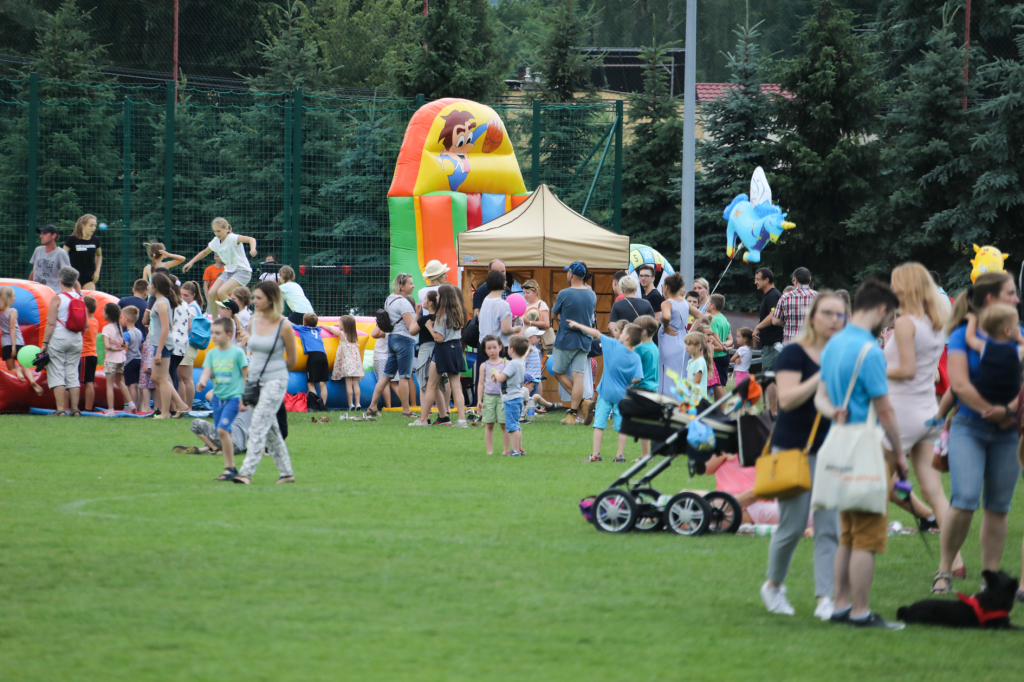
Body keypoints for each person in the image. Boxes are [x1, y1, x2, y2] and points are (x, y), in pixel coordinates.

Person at [814, 279, 908, 629]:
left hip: (839, 443)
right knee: (867, 535)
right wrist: (900, 454)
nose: (890, 323)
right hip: (867, 447)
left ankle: (840, 605)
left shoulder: (834, 343)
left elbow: (821, 397)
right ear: (881, 309)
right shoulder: (870, 351)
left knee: (847, 533)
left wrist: (833, 411)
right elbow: (885, 411)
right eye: (891, 316)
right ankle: (860, 611)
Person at [934, 272, 1022, 594]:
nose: (1017, 299)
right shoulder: (961, 336)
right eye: (1011, 293)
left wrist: (1010, 411)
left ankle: (991, 580)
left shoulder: (1019, 334)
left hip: (1010, 431)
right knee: (965, 499)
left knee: (998, 506)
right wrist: (991, 410)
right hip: (969, 427)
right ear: (991, 299)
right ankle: (944, 570)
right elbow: (958, 384)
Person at [759, 292, 844, 619]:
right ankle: (774, 586)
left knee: (829, 525)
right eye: (828, 314)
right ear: (813, 317)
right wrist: (820, 376)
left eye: (840, 315)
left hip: (832, 448)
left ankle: (826, 598)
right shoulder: (793, 353)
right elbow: (790, 399)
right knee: (793, 526)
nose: (835, 320)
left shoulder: (841, 355)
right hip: (795, 448)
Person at [883, 263, 964, 578]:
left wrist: (870, 366)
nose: (892, 290)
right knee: (934, 491)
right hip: (927, 412)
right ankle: (954, 562)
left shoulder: (906, 324)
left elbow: (906, 369)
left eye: (895, 284)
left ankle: (857, 549)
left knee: (875, 484)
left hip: (902, 413)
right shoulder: (936, 322)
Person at [233, 281, 298, 485]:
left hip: (276, 380)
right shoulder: (252, 321)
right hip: (255, 379)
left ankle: (245, 473)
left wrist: (276, 373)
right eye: (254, 297)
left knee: (258, 424)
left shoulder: (284, 325)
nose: (254, 301)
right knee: (271, 429)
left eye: (258, 297)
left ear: (271, 300)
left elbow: (293, 359)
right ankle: (287, 473)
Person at [573, 320, 644, 463]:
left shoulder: (612, 345)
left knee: (599, 424)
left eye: (623, 332)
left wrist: (579, 325)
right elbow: (638, 377)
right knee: (621, 427)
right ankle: (619, 456)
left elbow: (596, 333)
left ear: (627, 337)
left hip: (605, 393)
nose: (621, 334)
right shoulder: (636, 357)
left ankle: (595, 455)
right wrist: (626, 382)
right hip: (622, 396)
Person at [196, 317, 250, 482]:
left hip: (233, 398)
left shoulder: (237, 353)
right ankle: (230, 468)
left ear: (228, 334)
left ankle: (230, 468)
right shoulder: (212, 354)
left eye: (217, 333)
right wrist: (203, 381)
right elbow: (206, 371)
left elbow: (246, 376)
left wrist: (246, 397)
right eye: (212, 333)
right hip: (218, 399)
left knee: (221, 430)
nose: (214, 336)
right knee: (225, 433)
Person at [364, 273, 418, 417]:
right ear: (401, 286)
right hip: (404, 340)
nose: (413, 286)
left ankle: (372, 407)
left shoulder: (389, 299)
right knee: (405, 376)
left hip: (392, 340)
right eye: (410, 283)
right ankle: (406, 410)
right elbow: (410, 327)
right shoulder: (404, 303)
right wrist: (419, 316)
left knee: (386, 375)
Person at [551, 261, 597, 425]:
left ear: (571, 274)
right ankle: (574, 412)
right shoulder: (592, 294)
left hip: (566, 340)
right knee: (578, 376)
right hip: (584, 340)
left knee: (557, 371)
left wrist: (560, 319)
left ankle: (582, 404)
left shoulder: (564, 293)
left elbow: (553, 314)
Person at [422, 284, 468, 427]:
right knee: (456, 386)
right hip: (456, 348)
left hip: (443, 350)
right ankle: (462, 420)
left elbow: (439, 338)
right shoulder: (458, 313)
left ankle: (423, 420)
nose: (437, 297)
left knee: (431, 385)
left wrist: (429, 327)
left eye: (439, 295)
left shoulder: (442, 315)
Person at [40, 266, 84, 415]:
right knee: (72, 373)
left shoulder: (57, 298)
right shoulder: (80, 298)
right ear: (74, 281)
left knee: (57, 372)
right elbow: (85, 326)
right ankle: (75, 410)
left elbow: (51, 323)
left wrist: (45, 343)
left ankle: (60, 410)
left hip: (59, 338)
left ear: (60, 281)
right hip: (76, 339)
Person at [181, 217, 256, 304]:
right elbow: (205, 252)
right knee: (212, 293)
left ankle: (238, 311)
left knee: (221, 292)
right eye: (214, 231)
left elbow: (251, 239)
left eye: (219, 231)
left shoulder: (233, 238)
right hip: (229, 271)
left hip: (243, 271)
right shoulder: (216, 241)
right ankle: (216, 317)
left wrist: (252, 249)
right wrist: (191, 262)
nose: (216, 233)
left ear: (227, 229)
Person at [149, 274, 188, 419]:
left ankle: (165, 413)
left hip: (163, 344)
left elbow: (166, 328)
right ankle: (180, 404)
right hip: (159, 342)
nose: (148, 287)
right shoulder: (161, 301)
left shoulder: (161, 303)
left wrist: (158, 351)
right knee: (157, 377)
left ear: (156, 286)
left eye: (150, 284)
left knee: (162, 379)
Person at [657, 274, 704, 397]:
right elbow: (700, 315)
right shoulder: (684, 302)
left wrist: (666, 326)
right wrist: (690, 333)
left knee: (666, 375)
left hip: (669, 342)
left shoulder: (667, 303)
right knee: (680, 375)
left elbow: (666, 316)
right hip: (683, 342)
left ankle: (667, 404)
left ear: (666, 287)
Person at [409, 291, 449, 426]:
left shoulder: (424, 319)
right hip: (439, 352)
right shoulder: (441, 317)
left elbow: (411, 330)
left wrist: (417, 315)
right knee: (435, 386)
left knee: (424, 385)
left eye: (425, 299)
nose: (423, 301)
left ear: (430, 303)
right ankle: (444, 416)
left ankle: (424, 418)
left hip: (426, 352)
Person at [0, 286, 43, 395]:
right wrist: (14, 346)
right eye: (13, 297)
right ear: (7, 298)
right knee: (24, 364)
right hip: (17, 341)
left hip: (5, 342)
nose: (14, 299)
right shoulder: (12, 311)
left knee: (11, 368)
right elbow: (12, 328)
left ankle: (17, 371)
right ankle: (32, 381)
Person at [491, 334, 529, 456]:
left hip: (511, 398)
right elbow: (508, 375)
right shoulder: (521, 362)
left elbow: (501, 378)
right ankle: (520, 448)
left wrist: (496, 373)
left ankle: (515, 451)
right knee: (516, 425)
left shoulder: (512, 363)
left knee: (512, 426)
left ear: (512, 349)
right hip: (517, 397)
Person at [753, 267, 783, 417]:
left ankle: (774, 413)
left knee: (770, 379)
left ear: (766, 280)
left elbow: (773, 316)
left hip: (772, 346)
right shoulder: (769, 295)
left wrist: (757, 327)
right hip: (769, 345)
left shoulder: (773, 295)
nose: (755, 282)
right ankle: (774, 411)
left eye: (758, 279)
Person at [477, 335, 510, 455]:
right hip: (488, 397)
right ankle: (489, 451)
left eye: (494, 347)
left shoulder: (506, 363)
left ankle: (506, 450)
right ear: (485, 350)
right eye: (489, 348)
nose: (492, 350)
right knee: (489, 424)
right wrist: (479, 400)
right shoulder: (483, 365)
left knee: (504, 424)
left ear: (500, 347)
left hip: (503, 397)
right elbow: (480, 384)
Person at [180, 404, 252, 457]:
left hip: (229, 440)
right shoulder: (253, 409)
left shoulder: (234, 400)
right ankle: (203, 450)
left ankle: (214, 448)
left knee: (195, 423)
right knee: (214, 434)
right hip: (239, 448)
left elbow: (209, 395)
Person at [100, 302, 132, 414]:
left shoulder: (106, 329)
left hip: (111, 360)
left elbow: (107, 346)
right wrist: (120, 349)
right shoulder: (119, 328)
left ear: (108, 315)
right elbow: (122, 344)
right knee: (120, 382)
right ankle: (131, 403)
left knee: (109, 385)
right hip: (121, 359)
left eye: (104, 311)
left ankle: (110, 410)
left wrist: (116, 349)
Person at [177, 282, 204, 411]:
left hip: (189, 345)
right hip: (189, 345)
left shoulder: (192, 308)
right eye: (181, 295)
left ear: (193, 295)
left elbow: (188, 326)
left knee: (185, 378)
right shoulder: (193, 306)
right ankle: (184, 405)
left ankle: (187, 406)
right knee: (183, 378)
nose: (183, 298)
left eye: (186, 295)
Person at [773, 267, 818, 345]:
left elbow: (775, 321)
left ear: (795, 280)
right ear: (809, 280)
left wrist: (788, 322)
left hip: (790, 345)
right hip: (812, 345)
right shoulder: (818, 297)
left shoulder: (785, 297)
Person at [328, 315, 364, 411]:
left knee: (348, 385)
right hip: (356, 363)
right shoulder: (354, 335)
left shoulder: (341, 334)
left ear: (344, 325)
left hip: (347, 363)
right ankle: (358, 403)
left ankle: (350, 404)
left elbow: (329, 328)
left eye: (340, 323)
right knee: (355, 384)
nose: (338, 324)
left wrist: (323, 325)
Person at [479, 269, 520, 352]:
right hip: (499, 348)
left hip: (485, 346)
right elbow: (506, 330)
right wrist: (516, 329)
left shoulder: (486, 300)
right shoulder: (503, 304)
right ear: (503, 283)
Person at [296, 313, 330, 410]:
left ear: (304, 322)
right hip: (323, 355)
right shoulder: (318, 329)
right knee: (322, 383)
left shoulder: (303, 328)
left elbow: (288, 324)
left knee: (311, 383)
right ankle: (323, 406)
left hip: (313, 356)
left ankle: (315, 406)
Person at [29, 225, 73, 293]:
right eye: (41, 233)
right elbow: (34, 271)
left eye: (44, 234)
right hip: (37, 292)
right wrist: (29, 288)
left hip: (53, 293)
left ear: (53, 236)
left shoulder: (61, 253)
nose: (41, 236)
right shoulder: (38, 250)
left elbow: (67, 276)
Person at [63, 214, 102, 290]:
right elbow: (62, 255)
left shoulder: (95, 240)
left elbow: (99, 255)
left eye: (95, 225)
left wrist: (97, 271)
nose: (93, 228)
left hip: (89, 278)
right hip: (74, 278)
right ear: (83, 225)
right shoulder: (72, 240)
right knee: (76, 300)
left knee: (89, 300)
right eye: (91, 225)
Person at [121, 306, 144, 412]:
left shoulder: (126, 334)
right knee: (137, 385)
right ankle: (138, 406)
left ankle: (132, 406)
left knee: (131, 385)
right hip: (139, 359)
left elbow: (125, 349)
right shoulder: (139, 332)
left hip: (129, 361)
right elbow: (142, 346)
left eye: (121, 318)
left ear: (126, 318)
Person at [708, 294, 732, 395]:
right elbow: (730, 340)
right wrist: (725, 344)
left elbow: (716, 341)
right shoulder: (724, 318)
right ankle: (721, 409)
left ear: (712, 306)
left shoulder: (713, 320)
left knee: (717, 385)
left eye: (708, 303)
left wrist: (721, 345)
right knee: (722, 384)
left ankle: (718, 409)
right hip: (725, 356)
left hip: (716, 356)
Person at [370, 325, 398, 409]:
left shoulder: (385, 330)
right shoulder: (395, 328)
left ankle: (388, 407)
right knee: (394, 384)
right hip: (391, 357)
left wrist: (378, 324)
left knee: (384, 383)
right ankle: (405, 404)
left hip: (382, 358)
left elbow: (374, 334)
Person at [79, 295, 99, 412]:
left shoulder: (86, 324)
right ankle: (88, 407)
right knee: (89, 382)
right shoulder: (95, 321)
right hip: (92, 355)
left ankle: (85, 407)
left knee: (85, 383)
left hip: (84, 355)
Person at [684, 331, 712, 398]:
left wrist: (684, 387)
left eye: (689, 345)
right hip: (692, 396)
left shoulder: (700, 362)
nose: (686, 347)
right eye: (686, 344)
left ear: (698, 346)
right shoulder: (691, 361)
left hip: (698, 398)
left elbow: (697, 381)